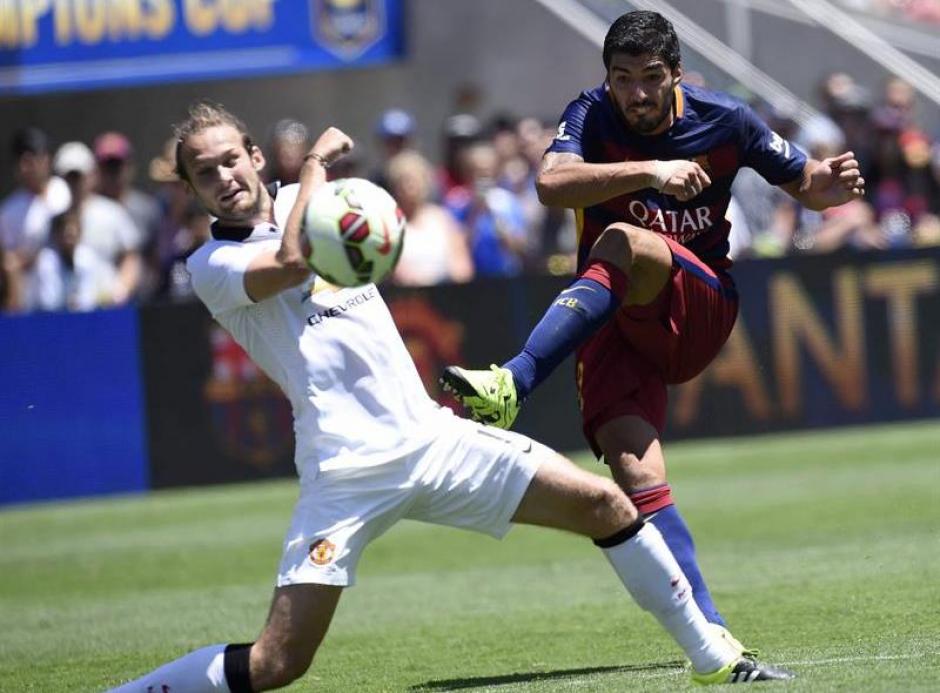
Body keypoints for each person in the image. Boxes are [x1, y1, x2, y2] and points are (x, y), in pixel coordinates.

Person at [109, 101, 791, 691]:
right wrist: (316, 160)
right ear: (194, 191)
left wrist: (345, 200)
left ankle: (713, 656)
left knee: (606, 502)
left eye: (231, 159)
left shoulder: (311, 203)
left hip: (432, 440)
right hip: (344, 471)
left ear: (254, 156)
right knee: (278, 662)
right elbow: (292, 262)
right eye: (206, 172)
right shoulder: (211, 266)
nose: (224, 178)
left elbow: (359, 227)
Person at [442, 9, 864, 654]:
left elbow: (805, 183)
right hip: (616, 319)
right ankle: (715, 641)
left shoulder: (726, 118)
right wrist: (650, 170)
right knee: (636, 476)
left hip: (699, 304)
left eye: (650, 77)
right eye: (622, 77)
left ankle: (514, 381)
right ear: (606, 77)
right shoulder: (589, 113)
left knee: (622, 239)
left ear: (677, 76)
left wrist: (827, 188)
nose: (635, 93)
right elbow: (552, 183)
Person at [53, 141, 144, 304]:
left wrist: (121, 290)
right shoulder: (54, 218)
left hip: (108, 307)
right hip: (67, 308)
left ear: (91, 175)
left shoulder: (111, 212)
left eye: (78, 176)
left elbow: (130, 257)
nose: (74, 183)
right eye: (69, 177)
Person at [386, 150, 473, 286]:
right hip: (409, 299)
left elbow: (461, 265)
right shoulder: (387, 225)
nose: (409, 187)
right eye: (403, 181)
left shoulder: (443, 218)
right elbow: (395, 269)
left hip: (448, 296)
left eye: (415, 180)